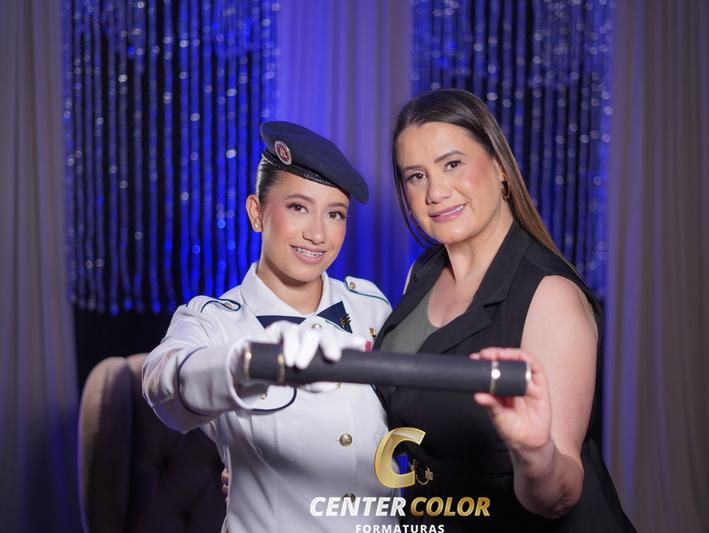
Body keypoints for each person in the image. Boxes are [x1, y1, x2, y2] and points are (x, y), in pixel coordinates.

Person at [375, 89, 635, 531]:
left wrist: (535, 453)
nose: (435, 192)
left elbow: (558, 493)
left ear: (499, 167)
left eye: (452, 164)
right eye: (416, 176)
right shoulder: (422, 273)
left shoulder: (551, 296)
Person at [142, 122, 397, 532]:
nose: (317, 234)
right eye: (298, 207)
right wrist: (249, 364)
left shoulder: (372, 307)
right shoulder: (214, 320)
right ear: (256, 213)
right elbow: (164, 383)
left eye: (335, 214)